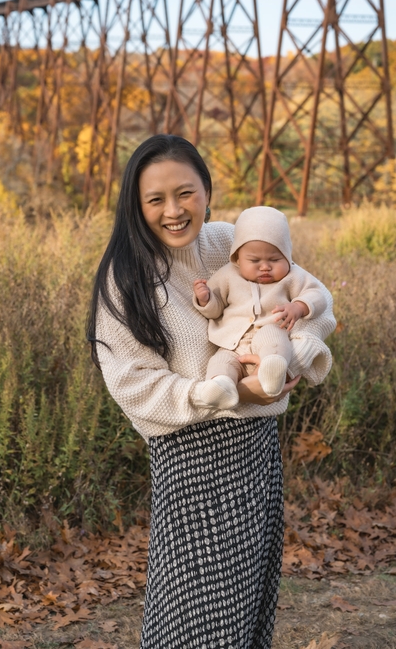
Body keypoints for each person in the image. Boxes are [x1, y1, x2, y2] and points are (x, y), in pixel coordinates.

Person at [87, 135, 335, 649]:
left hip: (256, 449)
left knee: (247, 604)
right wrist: (226, 393)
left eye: (186, 193)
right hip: (191, 457)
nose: (174, 211)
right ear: (136, 205)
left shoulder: (230, 242)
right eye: (155, 199)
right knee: (191, 611)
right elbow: (133, 384)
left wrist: (294, 357)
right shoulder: (125, 277)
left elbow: (303, 299)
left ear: (207, 190)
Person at [192, 206, 333, 406]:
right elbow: (215, 311)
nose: (265, 267)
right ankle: (220, 386)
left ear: (288, 256)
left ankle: (272, 369)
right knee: (220, 362)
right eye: (254, 260)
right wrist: (206, 299)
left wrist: (299, 306)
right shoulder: (227, 275)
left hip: (270, 332)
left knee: (274, 337)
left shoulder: (293, 276)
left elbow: (318, 295)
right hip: (232, 345)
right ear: (238, 258)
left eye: (275, 259)